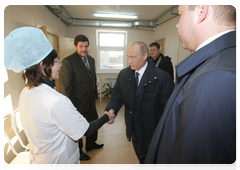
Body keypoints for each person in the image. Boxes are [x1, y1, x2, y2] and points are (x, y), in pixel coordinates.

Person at [4, 27, 115, 170]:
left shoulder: (26, 92)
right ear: (43, 66)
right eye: (56, 61)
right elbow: (86, 130)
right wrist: (107, 116)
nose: (59, 65)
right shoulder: (56, 101)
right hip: (59, 163)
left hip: (40, 161)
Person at [144, 5, 238, 170]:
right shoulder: (219, 62)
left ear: (201, 11)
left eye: (180, 14)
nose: (177, 25)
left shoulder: (215, 79)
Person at [104, 41, 174, 170]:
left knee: (153, 161)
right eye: (128, 56)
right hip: (134, 128)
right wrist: (111, 109)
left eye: (133, 57)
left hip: (153, 131)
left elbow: (168, 110)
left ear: (145, 56)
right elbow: (117, 95)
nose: (129, 61)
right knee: (142, 157)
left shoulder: (162, 78)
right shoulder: (124, 75)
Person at [60, 34, 103, 161]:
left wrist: (95, 95)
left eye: (86, 46)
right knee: (77, 127)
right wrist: (69, 105)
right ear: (75, 46)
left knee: (94, 121)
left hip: (90, 100)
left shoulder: (91, 60)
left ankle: (91, 144)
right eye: (81, 46)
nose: (84, 49)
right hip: (76, 102)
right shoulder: (68, 62)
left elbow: (93, 79)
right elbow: (66, 86)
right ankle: (78, 151)